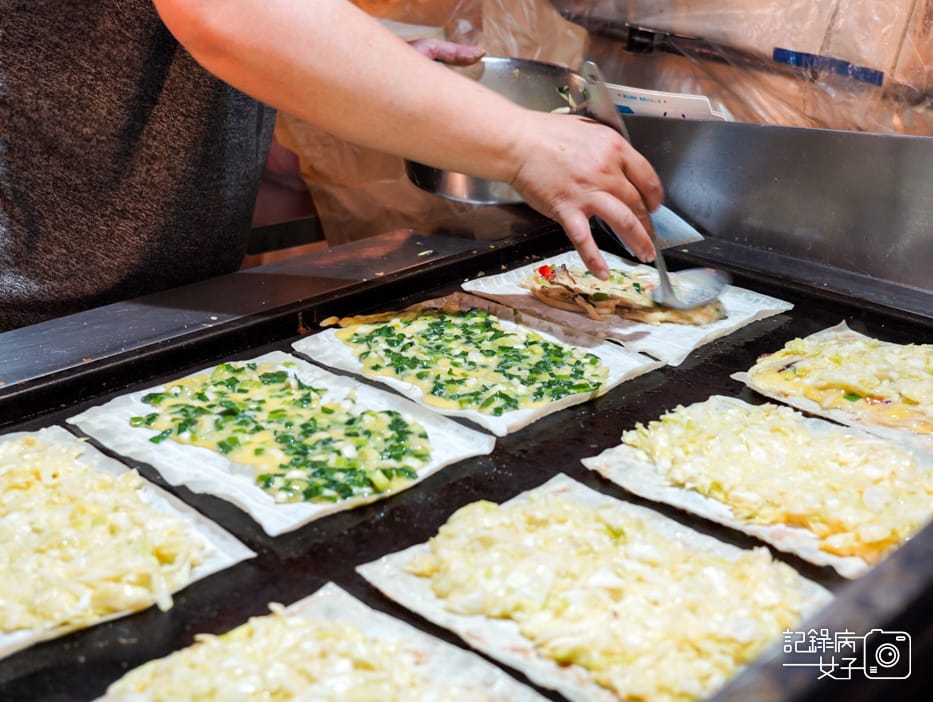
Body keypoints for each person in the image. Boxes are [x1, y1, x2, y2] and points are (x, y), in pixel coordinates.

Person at [0, 0, 663, 332]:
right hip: (31, 311)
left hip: (162, 294)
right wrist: (524, 144)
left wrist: (382, 73)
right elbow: (231, 13)